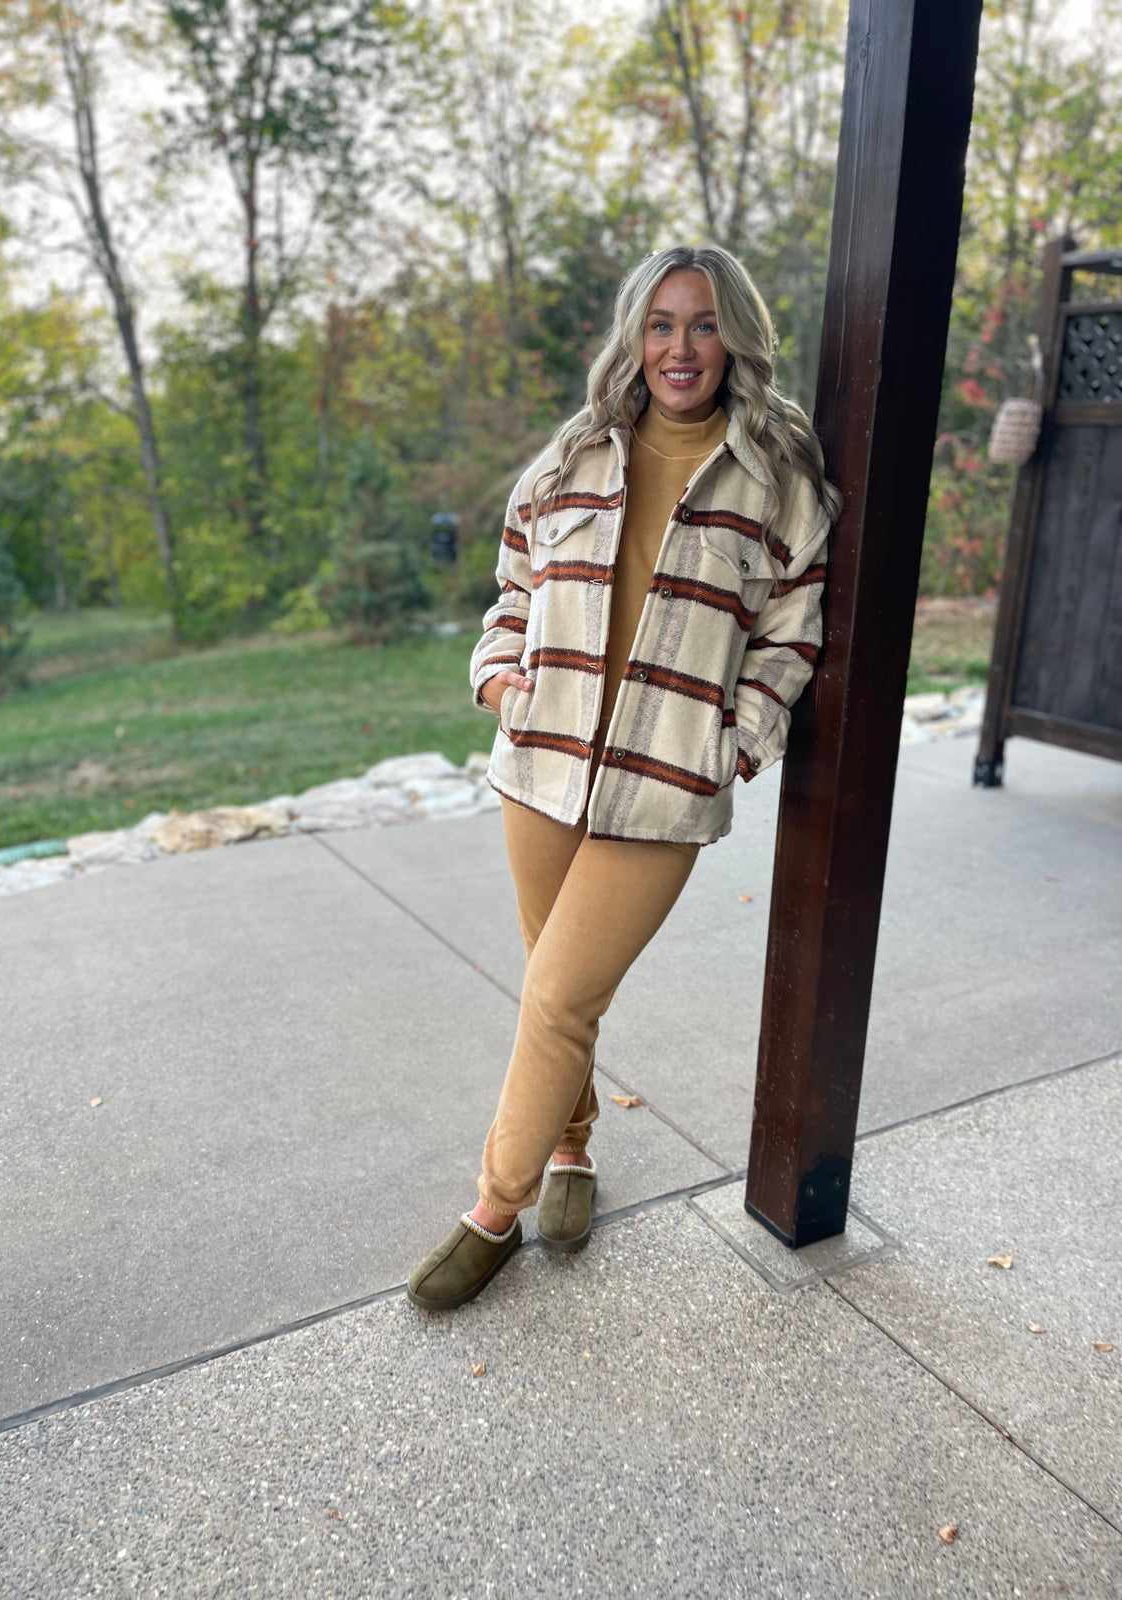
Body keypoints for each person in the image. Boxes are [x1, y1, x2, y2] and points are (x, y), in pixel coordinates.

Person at [407, 245, 841, 1312]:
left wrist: (734, 742)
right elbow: (513, 580)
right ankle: (571, 1153)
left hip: (661, 786)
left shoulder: (778, 475)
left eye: (701, 325)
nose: (679, 348)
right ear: (632, 338)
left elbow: (791, 637)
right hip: (542, 762)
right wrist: (503, 678)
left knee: (557, 993)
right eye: (659, 325)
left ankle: (491, 1211)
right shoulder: (575, 455)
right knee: (556, 983)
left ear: (733, 335)